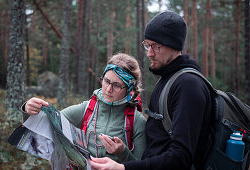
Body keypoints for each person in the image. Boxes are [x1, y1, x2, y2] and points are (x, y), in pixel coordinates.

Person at [89, 11, 212, 170]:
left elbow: (181, 158)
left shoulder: (188, 86)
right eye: (147, 44)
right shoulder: (168, 80)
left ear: (174, 46)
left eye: (156, 46)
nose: (149, 53)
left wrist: (123, 168)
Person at [21, 53, 147, 164]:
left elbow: (141, 166)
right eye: (106, 81)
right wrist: (29, 110)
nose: (108, 89)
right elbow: (45, 126)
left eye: (117, 85)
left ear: (130, 88)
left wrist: (122, 151)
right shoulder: (87, 109)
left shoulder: (136, 121)